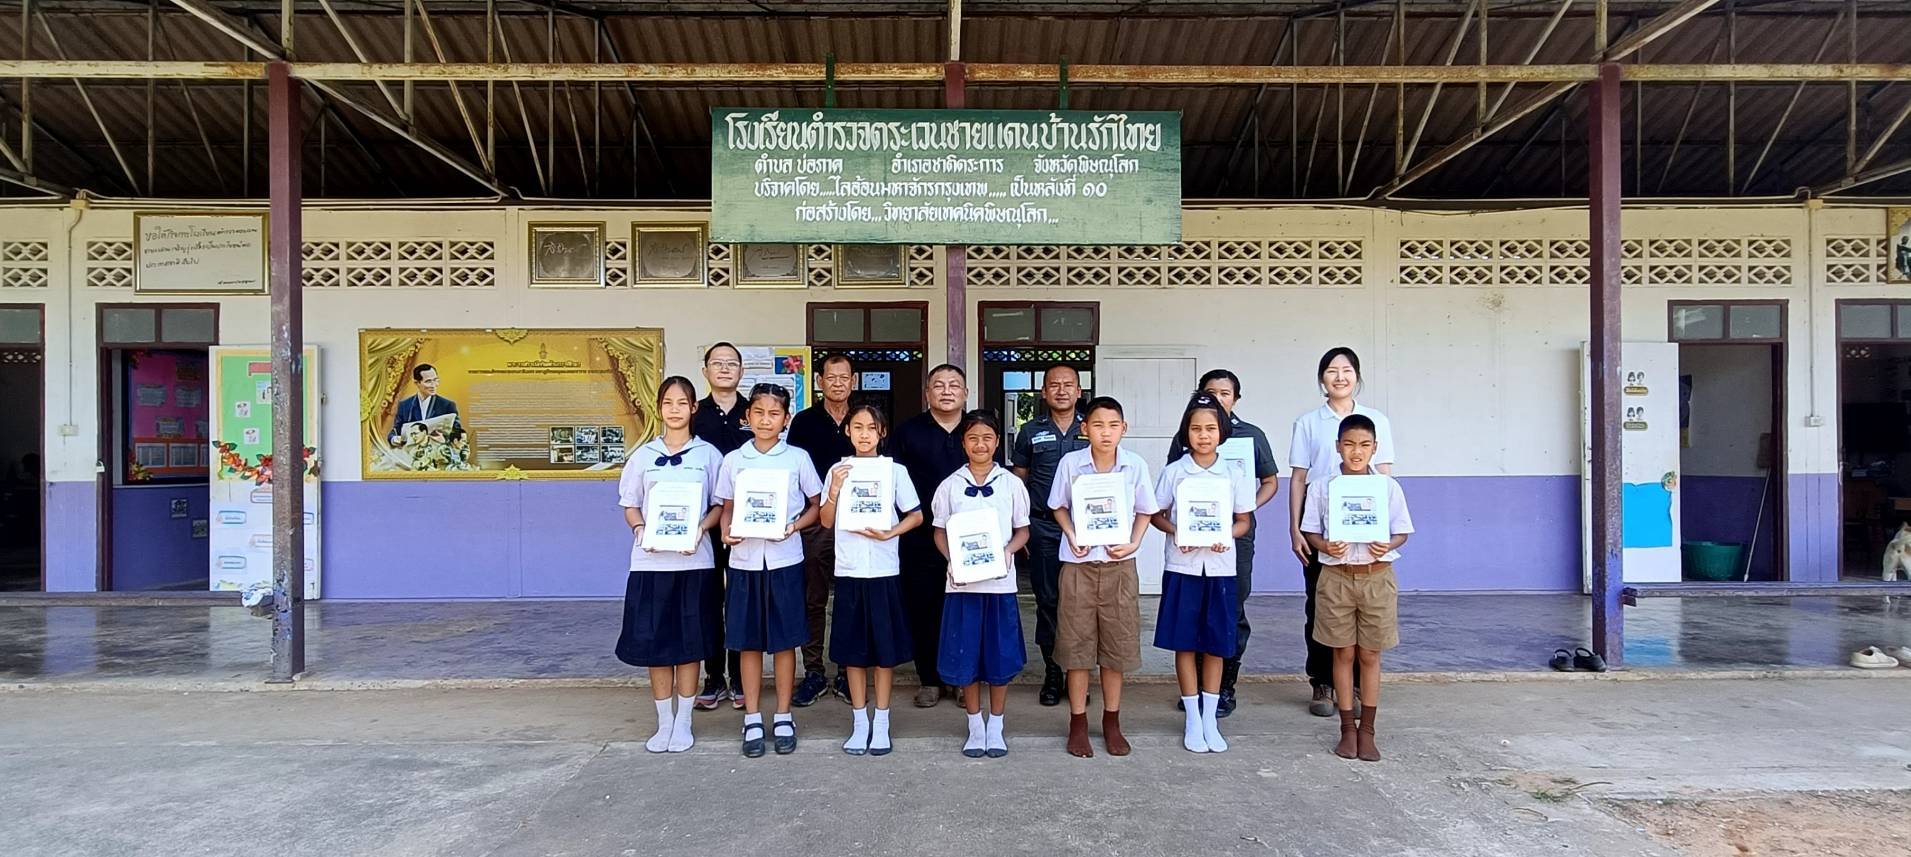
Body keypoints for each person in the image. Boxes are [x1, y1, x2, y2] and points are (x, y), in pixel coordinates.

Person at [614, 376, 724, 754]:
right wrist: (641, 527)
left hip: (694, 561)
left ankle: (684, 721)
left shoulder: (709, 455)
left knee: (689, 643)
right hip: (650, 562)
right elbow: (630, 503)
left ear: (694, 408)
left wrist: (700, 529)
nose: (675, 410)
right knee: (655, 642)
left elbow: (719, 504)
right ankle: (663, 722)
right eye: (668, 403)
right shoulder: (642, 456)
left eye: (682, 403)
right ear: (658, 408)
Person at [714, 383, 823, 758]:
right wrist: (726, 529)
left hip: (785, 560)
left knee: (784, 641)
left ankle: (782, 714)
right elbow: (726, 506)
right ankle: (752, 718)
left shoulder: (797, 458)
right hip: (744, 562)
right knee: (749, 641)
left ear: (786, 419)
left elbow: (815, 504)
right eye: (758, 413)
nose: (765, 420)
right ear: (747, 417)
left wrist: (794, 526)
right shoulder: (734, 460)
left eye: (773, 414)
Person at [1164, 368, 1280, 718]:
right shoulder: (1183, 444)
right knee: (1190, 620)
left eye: (1225, 392)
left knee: (1230, 612)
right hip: (1188, 549)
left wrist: (1235, 513)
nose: (1218, 398)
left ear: (1236, 398)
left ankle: (1224, 687)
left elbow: (1270, 481)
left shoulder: (1252, 436)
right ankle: (1194, 691)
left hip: (1231, 542)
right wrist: (1186, 529)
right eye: (1210, 391)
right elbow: (1169, 498)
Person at [1049, 396, 1159, 758]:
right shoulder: (1071, 463)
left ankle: (1111, 721)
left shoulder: (1135, 466)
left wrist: (1134, 542)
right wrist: (1070, 533)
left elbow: (1145, 510)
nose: (1106, 432)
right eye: (1098, 425)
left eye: (1113, 425)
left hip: (1118, 567)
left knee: (1116, 648)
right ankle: (1077, 721)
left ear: (1124, 429)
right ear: (1085, 429)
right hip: (1079, 567)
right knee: (1077, 648)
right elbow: (1058, 506)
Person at [1299, 414, 1413, 762]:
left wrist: (1388, 544)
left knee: (1370, 654)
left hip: (1377, 576)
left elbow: (1402, 530)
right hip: (1336, 577)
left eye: (1364, 445)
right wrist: (1324, 546)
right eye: (1349, 444)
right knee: (1342, 652)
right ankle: (1347, 729)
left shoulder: (1387, 487)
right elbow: (1311, 531)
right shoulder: (1323, 487)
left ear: (1375, 449)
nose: (1356, 451)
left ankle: (1368, 730)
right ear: (1337, 448)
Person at [1287, 347, 1395, 718]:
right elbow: (1299, 477)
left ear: (1357, 376)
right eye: (1331, 371)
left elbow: (1384, 476)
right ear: (1322, 379)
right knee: (1321, 604)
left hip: (1367, 528)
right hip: (1321, 526)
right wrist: (1296, 528)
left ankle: (1360, 682)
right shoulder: (1308, 422)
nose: (1339, 377)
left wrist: (1382, 529)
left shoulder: (1376, 419)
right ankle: (1323, 681)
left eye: (1347, 370)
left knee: (1364, 604)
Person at [1151, 393, 1256, 754]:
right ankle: (1192, 718)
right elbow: (1155, 513)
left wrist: (1227, 534)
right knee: (1185, 642)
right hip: (1183, 567)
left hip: (1221, 568)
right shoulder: (1175, 471)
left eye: (1210, 428)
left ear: (1222, 432)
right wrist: (1176, 530)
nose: (1203, 435)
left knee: (1215, 644)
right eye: (1196, 429)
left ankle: (1211, 717)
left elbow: (1244, 520)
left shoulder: (1235, 473)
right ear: (1186, 433)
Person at [818, 403, 923, 757]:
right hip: (849, 571)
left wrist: (890, 532)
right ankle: (859, 719)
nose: (864, 434)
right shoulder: (837, 469)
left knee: (883, 652)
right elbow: (826, 521)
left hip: (882, 570)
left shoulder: (894, 471)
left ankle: (882, 720)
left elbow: (917, 515)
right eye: (857, 427)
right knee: (853, 652)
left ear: (882, 433)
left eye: (871, 428)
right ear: (847, 431)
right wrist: (833, 488)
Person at [932, 410, 1031, 759]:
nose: (980, 444)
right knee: (966, 657)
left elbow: (1023, 531)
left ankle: (997, 725)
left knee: (999, 658)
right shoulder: (950, 486)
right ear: (964, 443)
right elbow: (940, 531)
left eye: (987, 438)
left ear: (997, 442)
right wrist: (953, 560)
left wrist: (1007, 551)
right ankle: (975, 724)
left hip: (1000, 586)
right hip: (962, 587)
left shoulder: (1012, 485)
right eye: (973, 437)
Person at [888, 364, 971, 708]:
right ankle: (930, 679)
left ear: (965, 393)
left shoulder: (977, 430)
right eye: (939, 385)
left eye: (954, 385)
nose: (947, 391)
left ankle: (962, 677)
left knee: (966, 606)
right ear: (927, 393)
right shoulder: (908, 432)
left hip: (970, 537)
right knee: (924, 608)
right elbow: (891, 485)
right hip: (920, 537)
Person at [1009, 363, 1087, 707]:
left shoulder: (1091, 427)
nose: (1061, 390)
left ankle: (1080, 673)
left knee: (1083, 604)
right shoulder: (1030, 431)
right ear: (1043, 392)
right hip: (1043, 527)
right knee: (1049, 602)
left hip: (1088, 529)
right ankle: (1053, 672)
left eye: (1068, 384)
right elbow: (1019, 480)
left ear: (1079, 391)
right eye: (1053, 385)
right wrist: (1021, 526)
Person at [788, 354, 858, 707]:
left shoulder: (864, 419)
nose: (837, 383)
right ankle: (814, 671)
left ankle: (848, 671)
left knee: (849, 597)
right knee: (813, 597)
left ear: (853, 381)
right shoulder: (804, 422)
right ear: (820, 381)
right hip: (816, 520)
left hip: (858, 525)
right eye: (831, 377)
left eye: (844, 377)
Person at [693, 342, 754, 712]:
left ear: (742, 371)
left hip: (749, 522)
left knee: (741, 600)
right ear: (706, 371)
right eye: (718, 363)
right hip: (703, 522)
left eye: (732, 363)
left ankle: (741, 679)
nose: (725, 369)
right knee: (708, 599)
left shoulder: (757, 411)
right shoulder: (695, 414)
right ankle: (713, 677)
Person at [388, 364, 460, 446]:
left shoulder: (447, 405)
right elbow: (395, 431)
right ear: (416, 383)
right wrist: (394, 439)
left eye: (436, 380)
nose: (433, 385)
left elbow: (458, 434)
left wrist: (445, 440)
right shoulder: (405, 405)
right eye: (428, 381)